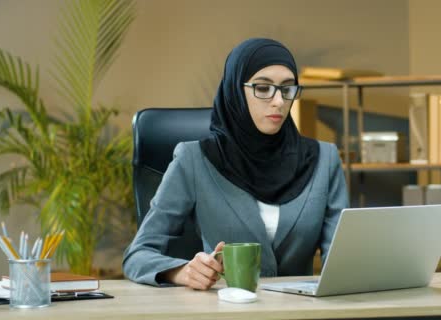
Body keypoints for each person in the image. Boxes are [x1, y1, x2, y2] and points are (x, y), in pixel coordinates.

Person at [123, 38, 348, 290]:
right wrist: (182, 272)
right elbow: (138, 255)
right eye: (263, 88)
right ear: (235, 91)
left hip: (301, 311)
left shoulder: (324, 159)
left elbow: (343, 261)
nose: (279, 101)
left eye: (287, 88)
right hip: (224, 310)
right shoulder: (193, 160)